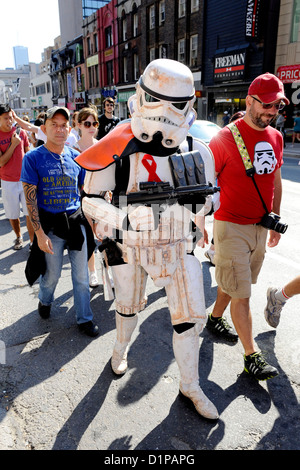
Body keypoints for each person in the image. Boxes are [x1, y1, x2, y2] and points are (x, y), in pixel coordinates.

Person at [76, 59, 219, 420]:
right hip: (128, 245)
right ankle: (120, 349)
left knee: (191, 318)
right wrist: (121, 217)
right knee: (128, 308)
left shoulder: (197, 150)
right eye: (155, 100)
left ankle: (190, 384)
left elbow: (212, 198)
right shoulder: (118, 145)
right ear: (140, 97)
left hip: (176, 245)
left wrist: (202, 205)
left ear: (189, 105)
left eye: (175, 104)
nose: (164, 113)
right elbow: (89, 201)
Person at [207, 72, 289, 381]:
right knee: (242, 294)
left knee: (235, 282)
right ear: (249, 101)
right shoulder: (225, 138)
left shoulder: (276, 137)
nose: (271, 112)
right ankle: (251, 356)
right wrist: (199, 222)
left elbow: (275, 182)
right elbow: (206, 185)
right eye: (266, 105)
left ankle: (215, 319)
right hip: (230, 226)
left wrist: (275, 221)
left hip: (259, 226)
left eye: (276, 107)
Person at [20, 106, 99, 337]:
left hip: (75, 223)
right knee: (52, 275)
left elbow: (86, 191)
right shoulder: (32, 158)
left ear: (69, 128)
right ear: (44, 129)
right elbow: (30, 199)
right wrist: (39, 234)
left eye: (63, 125)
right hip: (51, 227)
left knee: (82, 276)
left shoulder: (76, 157)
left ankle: (84, 318)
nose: (59, 129)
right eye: (54, 124)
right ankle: (45, 300)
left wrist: (99, 212)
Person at [204, 111, 246, 265]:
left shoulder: (246, 144)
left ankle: (214, 250)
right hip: (221, 194)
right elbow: (209, 177)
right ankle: (214, 250)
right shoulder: (222, 140)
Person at [72, 106, 100, 287]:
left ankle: (107, 269)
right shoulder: (74, 149)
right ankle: (93, 272)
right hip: (82, 197)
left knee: (105, 235)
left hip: (101, 194)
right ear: (79, 125)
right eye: (87, 123)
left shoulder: (101, 145)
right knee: (89, 235)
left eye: (94, 123)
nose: (91, 127)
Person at [0, 104, 34, 250]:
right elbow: (1, 162)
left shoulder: (21, 132)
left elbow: (28, 155)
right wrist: (13, 145)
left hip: (25, 180)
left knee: (29, 213)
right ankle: (19, 237)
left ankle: (32, 242)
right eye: (6, 118)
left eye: (11, 117)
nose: (9, 121)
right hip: (8, 181)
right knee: (13, 214)